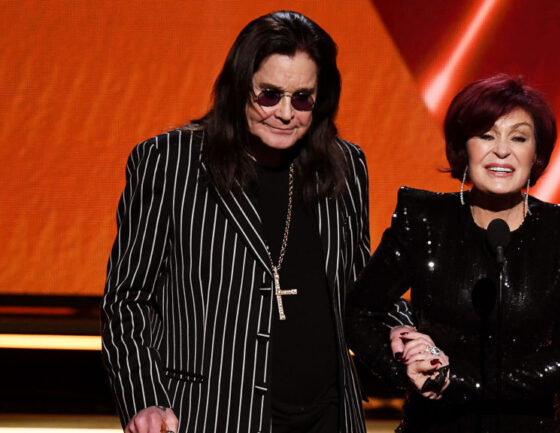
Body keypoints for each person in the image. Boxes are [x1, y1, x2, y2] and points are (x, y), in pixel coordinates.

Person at [101, 11, 370, 433]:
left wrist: (408, 338)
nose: (285, 112)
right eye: (269, 95)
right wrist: (145, 400)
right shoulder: (170, 163)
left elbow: (361, 290)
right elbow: (129, 300)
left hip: (329, 417)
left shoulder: (344, 165)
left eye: (302, 98)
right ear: (238, 89)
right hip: (212, 415)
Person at [346, 74, 560, 433]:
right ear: (463, 147)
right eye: (486, 135)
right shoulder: (423, 220)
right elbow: (361, 312)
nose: (501, 150)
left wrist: (463, 383)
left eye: (518, 138)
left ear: (536, 153)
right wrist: (405, 366)